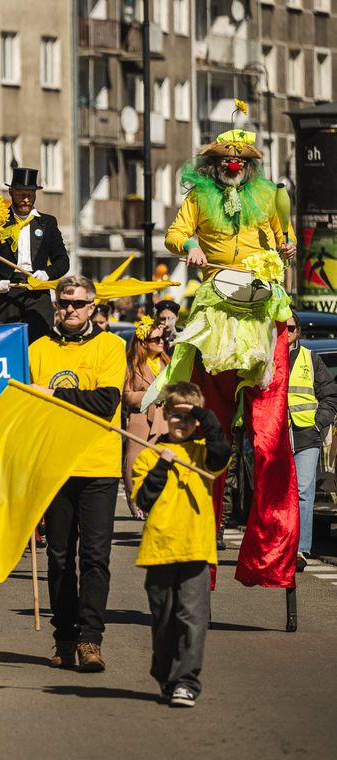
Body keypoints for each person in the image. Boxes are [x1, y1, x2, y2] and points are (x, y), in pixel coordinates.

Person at [154, 125, 298, 589]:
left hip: (261, 305)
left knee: (268, 437)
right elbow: (175, 236)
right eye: (223, 160)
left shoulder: (268, 197)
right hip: (217, 303)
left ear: (249, 166)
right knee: (208, 423)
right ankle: (197, 552)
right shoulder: (198, 198)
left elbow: (283, 237)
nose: (232, 166)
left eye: (239, 160)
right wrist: (191, 247)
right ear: (213, 166)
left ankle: (272, 551)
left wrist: (289, 246)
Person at [29, 275, 126, 672]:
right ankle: (64, 637)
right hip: (55, 466)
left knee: (95, 558)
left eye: (77, 303)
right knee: (58, 557)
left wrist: (53, 396)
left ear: (92, 306)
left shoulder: (112, 346)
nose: (70, 309)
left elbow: (105, 401)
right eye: (64, 302)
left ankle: (91, 640)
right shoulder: (37, 349)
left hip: (98, 466)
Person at [131, 382, 230, 708]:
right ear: (165, 415)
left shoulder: (204, 454)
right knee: (164, 620)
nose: (182, 423)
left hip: (195, 550)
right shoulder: (148, 457)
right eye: (176, 416)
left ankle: (187, 681)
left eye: (189, 418)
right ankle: (165, 676)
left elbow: (222, 450)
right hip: (159, 550)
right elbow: (145, 498)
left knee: (192, 618)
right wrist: (163, 464)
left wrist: (203, 414)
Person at [0, 167, 70, 343]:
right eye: (20, 194)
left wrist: (46, 273)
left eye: (30, 195)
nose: (26, 199)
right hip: (6, 292)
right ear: (11, 192)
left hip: (37, 292)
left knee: (41, 343)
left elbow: (62, 261)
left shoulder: (47, 222)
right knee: (6, 345)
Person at [286, 311, 337, 569]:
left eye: (291, 328)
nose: (285, 332)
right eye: (280, 328)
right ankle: (280, 548)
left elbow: (330, 396)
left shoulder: (310, 358)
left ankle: (300, 551)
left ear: (299, 331)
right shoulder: (265, 358)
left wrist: (318, 423)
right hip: (276, 437)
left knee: (303, 492)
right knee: (279, 495)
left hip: (306, 436)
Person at [123, 316, 171, 516]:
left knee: (164, 461)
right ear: (143, 343)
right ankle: (136, 499)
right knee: (134, 462)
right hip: (141, 419)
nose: (161, 342)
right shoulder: (132, 366)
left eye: (162, 339)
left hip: (165, 419)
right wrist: (151, 395)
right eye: (155, 339)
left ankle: (161, 501)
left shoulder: (169, 363)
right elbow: (126, 396)